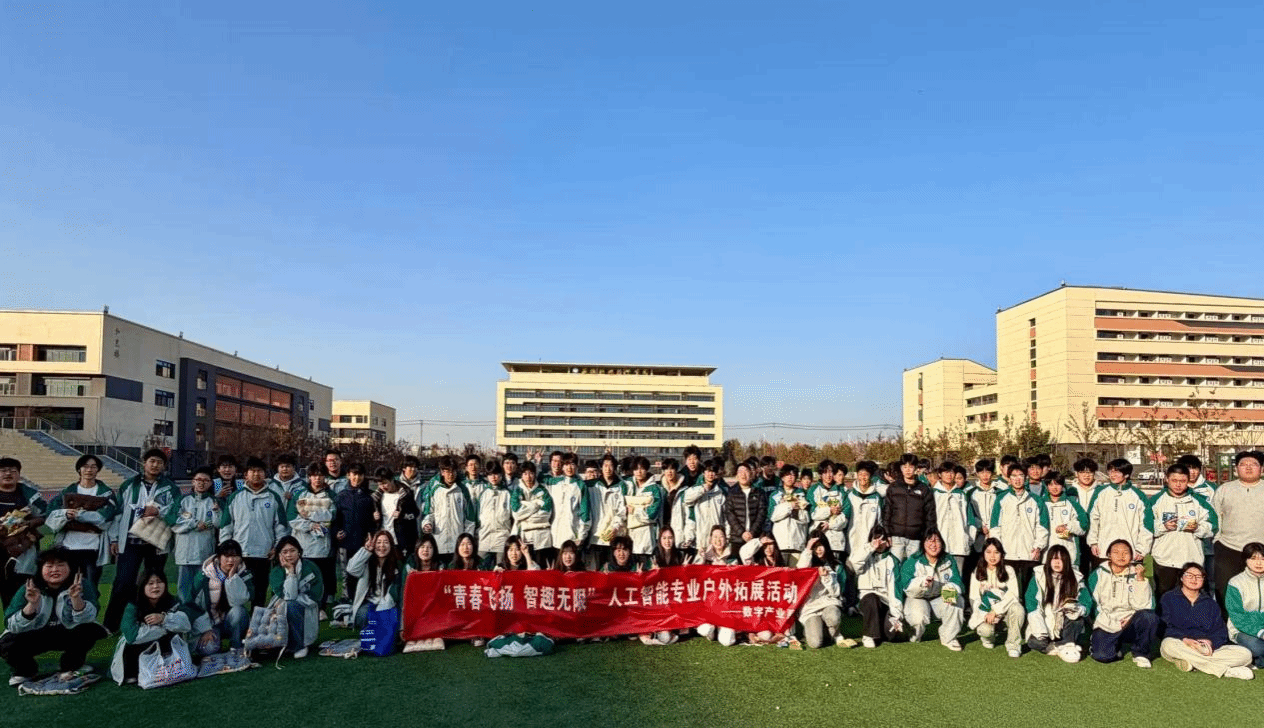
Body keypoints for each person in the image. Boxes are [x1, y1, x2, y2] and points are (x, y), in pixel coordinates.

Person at [0, 547, 106, 686]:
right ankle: (26, 670)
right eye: (49, 566)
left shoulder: (82, 584)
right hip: (35, 634)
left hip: (66, 632)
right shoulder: (28, 587)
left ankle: (72, 665)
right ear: (40, 569)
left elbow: (89, 619)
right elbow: (11, 624)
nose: (55, 570)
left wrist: (76, 600)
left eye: (61, 565)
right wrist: (31, 605)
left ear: (70, 567)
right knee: (6, 643)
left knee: (91, 630)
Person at [105, 448, 182, 632]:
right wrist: (114, 539)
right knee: (123, 582)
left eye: (159, 462)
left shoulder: (170, 487)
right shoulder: (129, 485)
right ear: (144, 463)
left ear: (164, 466)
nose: (155, 465)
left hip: (156, 543)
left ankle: (150, 621)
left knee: (154, 584)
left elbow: (177, 511)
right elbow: (118, 513)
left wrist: (158, 511)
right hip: (130, 542)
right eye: (152, 461)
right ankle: (111, 625)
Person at [1158, 561, 1253, 679]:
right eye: (1189, 575)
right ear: (1181, 578)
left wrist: (1210, 643)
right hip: (1181, 643)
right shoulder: (1168, 598)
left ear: (1203, 580)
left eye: (1199, 576)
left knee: (1246, 654)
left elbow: (1221, 631)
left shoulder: (1210, 604)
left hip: (1205, 648)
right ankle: (1224, 670)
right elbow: (1163, 627)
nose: (1194, 579)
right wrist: (1185, 639)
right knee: (1168, 645)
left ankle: (1193, 662)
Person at [219, 457, 289, 607]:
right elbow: (226, 526)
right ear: (246, 475)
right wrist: (226, 550)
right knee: (235, 592)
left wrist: (277, 548)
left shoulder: (273, 497)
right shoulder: (235, 497)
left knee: (260, 593)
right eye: (252, 471)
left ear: (265, 474)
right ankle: (237, 620)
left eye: (259, 471)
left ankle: (257, 621)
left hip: (264, 554)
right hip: (240, 554)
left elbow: (281, 526)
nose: (256, 474)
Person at [45, 454, 117, 590]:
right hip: (68, 547)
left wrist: (78, 515)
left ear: (98, 470)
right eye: (85, 466)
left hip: (93, 547)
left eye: (93, 467)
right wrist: (65, 514)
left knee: (90, 587)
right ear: (79, 469)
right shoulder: (67, 492)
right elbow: (50, 514)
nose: (89, 470)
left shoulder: (106, 493)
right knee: (67, 586)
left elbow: (105, 517)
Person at [109, 569, 192, 685]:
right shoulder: (133, 605)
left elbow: (186, 625)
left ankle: (167, 668)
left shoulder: (172, 601)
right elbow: (132, 637)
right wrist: (165, 627)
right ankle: (135, 671)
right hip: (139, 649)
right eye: (150, 583)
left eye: (159, 582)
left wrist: (164, 619)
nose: (155, 586)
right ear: (142, 586)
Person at [1148, 463, 1216, 602]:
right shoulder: (1155, 501)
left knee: (1192, 598)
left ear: (1188, 480)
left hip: (1191, 558)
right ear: (1167, 479)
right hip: (1164, 559)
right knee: (1164, 598)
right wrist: (1163, 526)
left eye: (1182, 481)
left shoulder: (1199, 501)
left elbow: (1213, 526)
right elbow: (1146, 527)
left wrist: (1197, 528)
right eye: (1174, 480)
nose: (1178, 484)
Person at [1087, 539, 1158, 668]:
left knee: (1149, 617)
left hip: (1130, 621)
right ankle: (1114, 646)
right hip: (1107, 621)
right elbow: (1093, 604)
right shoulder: (1098, 574)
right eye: (1116, 552)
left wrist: (1140, 579)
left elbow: (1147, 606)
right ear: (1109, 555)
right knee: (1102, 656)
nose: (1121, 556)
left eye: (1126, 552)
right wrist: (1108, 621)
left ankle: (1141, 653)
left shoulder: (1138, 574)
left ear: (1132, 556)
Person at [1211, 451, 1264, 604]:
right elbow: (1215, 516)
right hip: (1229, 547)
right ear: (1236, 469)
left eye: (1253, 464)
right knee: (1224, 590)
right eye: (1243, 464)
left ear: (1262, 469)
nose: (1248, 467)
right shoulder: (1224, 489)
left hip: (1261, 549)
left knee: (1258, 593)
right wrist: (1217, 540)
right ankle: (1226, 619)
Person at [899, 528, 965, 651]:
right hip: (918, 598)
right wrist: (922, 583)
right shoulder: (913, 560)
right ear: (923, 543)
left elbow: (956, 580)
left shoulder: (948, 559)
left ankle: (949, 637)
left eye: (937, 541)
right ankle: (914, 634)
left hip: (938, 598)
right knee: (918, 619)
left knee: (958, 600)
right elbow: (905, 586)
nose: (933, 545)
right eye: (929, 540)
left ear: (942, 543)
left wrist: (950, 591)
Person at [1024, 544, 1090, 663]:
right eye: (1054, 558)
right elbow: (1031, 603)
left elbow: (1086, 602)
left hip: (1065, 622)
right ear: (1049, 560)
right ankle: (1062, 646)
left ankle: (1067, 644)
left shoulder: (1076, 577)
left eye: (1061, 559)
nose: (1057, 562)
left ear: (1067, 561)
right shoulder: (1039, 575)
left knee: (1077, 619)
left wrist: (1076, 608)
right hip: (1045, 622)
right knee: (1037, 642)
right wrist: (1040, 629)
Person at [990, 462, 1049, 593]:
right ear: (1009, 479)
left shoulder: (1036, 500)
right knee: (1008, 590)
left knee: (1028, 590)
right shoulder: (1001, 499)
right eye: (1014, 476)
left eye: (1021, 475)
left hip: (1029, 553)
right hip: (1007, 553)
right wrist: (998, 548)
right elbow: (995, 526)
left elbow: (1042, 527)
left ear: (1026, 477)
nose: (1017, 479)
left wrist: (1038, 546)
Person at [168, 466, 224, 604]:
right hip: (184, 552)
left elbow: (219, 524)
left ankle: (202, 614)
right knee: (184, 588)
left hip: (204, 552)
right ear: (193, 482)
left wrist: (214, 514)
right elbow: (172, 521)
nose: (201, 483)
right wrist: (194, 524)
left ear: (210, 483)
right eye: (198, 479)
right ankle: (184, 613)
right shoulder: (183, 500)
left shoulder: (214, 501)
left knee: (202, 589)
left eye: (205, 480)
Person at [1086, 459, 1152, 572]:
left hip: (1130, 552)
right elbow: (1093, 519)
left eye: (1117, 471)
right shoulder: (1100, 493)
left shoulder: (1138, 495)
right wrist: (1093, 542)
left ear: (1126, 474)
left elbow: (1147, 524)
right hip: (1103, 550)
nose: (1112, 475)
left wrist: (1142, 548)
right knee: (1102, 581)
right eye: (1110, 471)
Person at [288, 462, 336, 615]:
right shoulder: (300, 495)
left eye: (320, 475)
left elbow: (331, 515)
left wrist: (308, 513)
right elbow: (291, 518)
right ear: (309, 477)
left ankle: (320, 608)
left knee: (321, 578)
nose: (317, 478)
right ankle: (303, 606)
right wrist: (310, 525)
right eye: (314, 475)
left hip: (323, 546)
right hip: (303, 545)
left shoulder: (331, 496)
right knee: (304, 578)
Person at [188, 539, 252, 655]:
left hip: (232, 621)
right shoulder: (204, 575)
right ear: (218, 557)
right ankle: (215, 642)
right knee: (208, 649)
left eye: (234, 556)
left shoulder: (244, 574)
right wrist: (205, 629)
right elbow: (191, 604)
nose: (230, 560)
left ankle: (236, 646)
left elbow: (239, 601)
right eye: (226, 556)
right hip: (210, 623)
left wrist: (232, 577)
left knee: (239, 611)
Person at [269, 535, 323, 659]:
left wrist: (291, 572)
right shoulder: (276, 572)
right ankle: (283, 643)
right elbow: (287, 595)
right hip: (280, 606)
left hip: (307, 606)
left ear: (299, 552)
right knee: (288, 605)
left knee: (291, 605)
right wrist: (290, 572)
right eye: (285, 552)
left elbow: (316, 595)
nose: (289, 555)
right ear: (279, 554)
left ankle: (300, 645)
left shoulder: (311, 567)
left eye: (292, 550)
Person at [968, 538, 1024, 657]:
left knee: (1018, 608)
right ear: (983, 554)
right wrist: (986, 614)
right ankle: (988, 638)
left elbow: (1013, 595)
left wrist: (996, 611)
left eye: (996, 552)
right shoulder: (977, 571)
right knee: (986, 631)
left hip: (1004, 611)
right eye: (988, 552)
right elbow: (974, 598)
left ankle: (1013, 645)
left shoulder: (1008, 570)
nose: (992, 556)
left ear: (1002, 554)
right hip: (986, 613)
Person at [850, 524, 904, 648]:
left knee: (891, 634)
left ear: (888, 542)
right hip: (867, 599)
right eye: (876, 539)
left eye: (882, 539)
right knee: (872, 598)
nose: (879, 543)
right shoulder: (865, 555)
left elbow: (895, 590)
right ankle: (868, 635)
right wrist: (870, 547)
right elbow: (854, 563)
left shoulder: (892, 561)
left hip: (885, 601)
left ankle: (879, 629)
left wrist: (896, 616)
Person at [797, 535, 853, 648]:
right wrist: (808, 549)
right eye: (815, 547)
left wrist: (827, 578)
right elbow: (800, 571)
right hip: (810, 607)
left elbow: (836, 593)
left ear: (826, 546)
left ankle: (834, 632)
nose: (818, 549)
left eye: (821, 545)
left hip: (828, 603)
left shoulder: (836, 565)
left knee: (833, 617)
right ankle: (818, 630)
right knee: (815, 643)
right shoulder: (807, 564)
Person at [420, 457, 476, 566]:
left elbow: (470, 518)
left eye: (453, 471)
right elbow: (429, 513)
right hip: (439, 542)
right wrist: (427, 524)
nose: (451, 474)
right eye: (448, 471)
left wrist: (467, 539)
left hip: (457, 544)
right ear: (442, 472)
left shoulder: (463, 490)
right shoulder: (435, 490)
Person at [335, 463, 378, 601]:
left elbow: (374, 520)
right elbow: (336, 519)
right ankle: (346, 597)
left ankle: (363, 597)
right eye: (354, 474)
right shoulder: (341, 496)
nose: (357, 478)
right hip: (345, 542)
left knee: (363, 571)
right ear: (348, 475)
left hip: (363, 541)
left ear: (364, 476)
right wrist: (337, 532)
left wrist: (373, 528)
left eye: (360, 474)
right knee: (346, 572)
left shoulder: (370, 496)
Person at [882, 453, 936, 560]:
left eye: (910, 467)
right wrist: (887, 533)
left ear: (916, 468)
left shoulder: (924, 489)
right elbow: (887, 512)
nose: (907, 470)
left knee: (913, 566)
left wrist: (927, 534)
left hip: (916, 537)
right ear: (901, 468)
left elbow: (930, 514)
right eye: (904, 467)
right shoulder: (893, 488)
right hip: (896, 537)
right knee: (895, 565)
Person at [346, 531, 403, 631]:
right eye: (378, 542)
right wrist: (366, 550)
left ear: (391, 545)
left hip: (389, 602)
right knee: (363, 615)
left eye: (386, 542)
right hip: (370, 601)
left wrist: (381, 609)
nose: (382, 546)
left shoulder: (397, 565)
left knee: (389, 618)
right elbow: (351, 569)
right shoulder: (367, 561)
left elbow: (394, 592)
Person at [931, 461, 975, 574]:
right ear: (939, 475)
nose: (949, 475)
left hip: (959, 543)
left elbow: (970, 519)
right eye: (946, 472)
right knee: (938, 575)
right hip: (938, 542)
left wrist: (969, 539)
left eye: (951, 472)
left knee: (957, 575)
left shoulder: (961, 495)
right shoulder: (933, 494)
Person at [1226, 542, 1264, 668]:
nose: (1258, 563)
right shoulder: (1235, 583)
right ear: (1245, 560)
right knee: (1258, 648)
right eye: (1253, 558)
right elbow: (1237, 616)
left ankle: (1255, 661)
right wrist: (1260, 632)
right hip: (1241, 629)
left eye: (1263, 559)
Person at [586, 454, 627, 571]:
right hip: (596, 535)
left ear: (615, 468)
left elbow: (622, 510)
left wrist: (615, 527)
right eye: (605, 465)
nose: (608, 469)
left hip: (614, 535)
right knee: (598, 571)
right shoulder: (592, 485)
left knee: (614, 570)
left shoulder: (621, 486)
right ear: (601, 467)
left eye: (610, 466)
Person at [548, 454, 591, 565]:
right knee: (557, 568)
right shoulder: (553, 482)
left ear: (577, 466)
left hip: (573, 535)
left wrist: (581, 535)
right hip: (555, 536)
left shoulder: (581, 485)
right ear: (562, 466)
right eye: (566, 464)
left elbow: (585, 513)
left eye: (572, 464)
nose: (569, 467)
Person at [624, 457, 665, 567]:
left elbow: (651, 514)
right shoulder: (628, 485)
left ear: (647, 469)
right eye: (636, 469)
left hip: (646, 538)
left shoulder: (654, 489)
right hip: (630, 537)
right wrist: (642, 505)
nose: (639, 472)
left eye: (642, 468)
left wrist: (635, 510)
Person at [1041, 473, 1088, 569]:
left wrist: (1068, 527)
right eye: (1051, 484)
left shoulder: (1071, 503)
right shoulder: (1041, 503)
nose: (1054, 487)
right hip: (1046, 553)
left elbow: (1084, 526)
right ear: (1047, 486)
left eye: (1057, 484)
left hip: (1068, 551)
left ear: (1063, 486)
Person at [511, 462, 554, 563]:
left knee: (541, 567)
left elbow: (545, 514)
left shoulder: (543, 491)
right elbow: (517, 514)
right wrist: (535, 505)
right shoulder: (517, 491)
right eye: (525, 474)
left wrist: (525, 509)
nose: (528, 477)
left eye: (531, 473)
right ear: (521, 475)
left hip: (542, 537)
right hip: (524, 537)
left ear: (535, 474)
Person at [724, 461, 767, 560]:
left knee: (755, 566)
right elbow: (730, 515)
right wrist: (741, 533)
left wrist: (752, 532)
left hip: (755, 538)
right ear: (736, 476)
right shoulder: (731, 494)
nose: (743, 474)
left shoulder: (759, 493)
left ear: (751, 475)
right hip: (737, 539)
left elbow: (762, 514)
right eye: (740, 472)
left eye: (746, 471)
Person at [372, 467, 419, 556]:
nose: (383, 487)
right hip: (384, 542)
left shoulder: (406, 494)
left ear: (392, 479)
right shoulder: (376, 497)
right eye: (380, 484)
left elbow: (415, 513)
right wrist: (374, 517)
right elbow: (371, 520)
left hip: (401, 540)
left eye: (385, 483)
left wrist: (403, 515)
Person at [808, 460, 849, 561]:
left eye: (831, 472)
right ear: (820, 474)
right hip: (818, 541)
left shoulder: (842, 491)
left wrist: (830, 525)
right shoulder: (813, 491)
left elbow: (845, 517)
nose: (828, 475)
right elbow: (813, 514)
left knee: (835, 568)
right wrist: (829, 511)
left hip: (836, 541)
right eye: (825, 472)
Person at [769, 464, 811, 563]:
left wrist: (798, 509)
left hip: (798, 542)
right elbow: (773, 517)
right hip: (780, 543)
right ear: (782, 477)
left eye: (793, 475)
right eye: (787, 475)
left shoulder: (802, 494)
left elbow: (806, 518)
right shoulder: (775, 495)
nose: (790, 477)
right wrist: (788, 506)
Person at [477, 462, 514, 569]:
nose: (493, 477)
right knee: (480, 568)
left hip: (502, 536)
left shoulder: (508, 493)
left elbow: (513, 517)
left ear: (501, 475)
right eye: (490, 474)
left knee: (501, 569)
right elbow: (477, 516)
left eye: (496, 474)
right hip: (485, 536)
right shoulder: (483, 494)